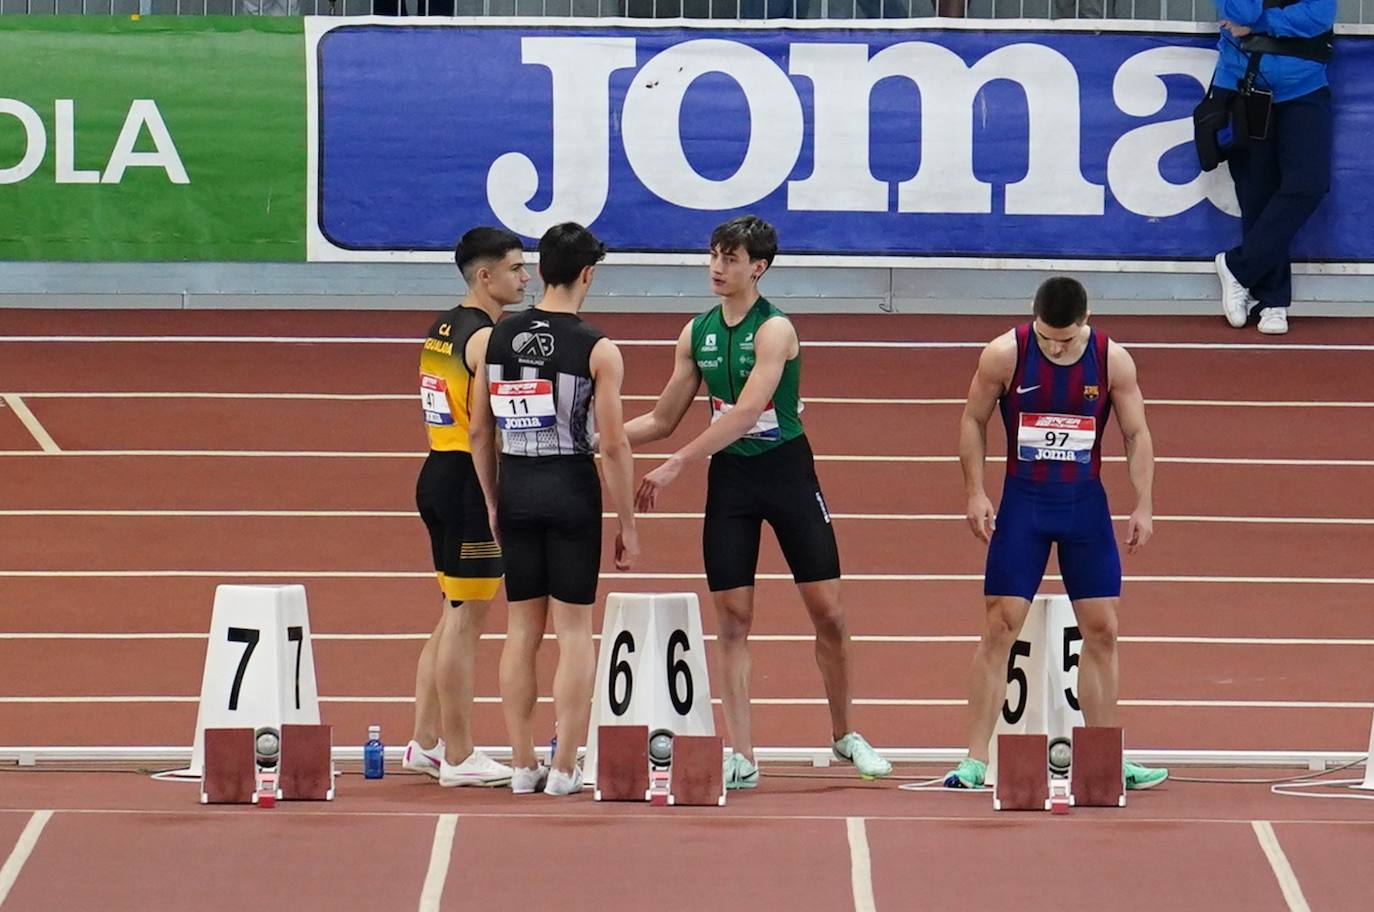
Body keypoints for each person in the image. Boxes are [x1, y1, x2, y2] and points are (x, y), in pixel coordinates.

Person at [628, 215, 891, 789]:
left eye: (730, 258)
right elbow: (662, 417)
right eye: (713, 256)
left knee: (830, 613)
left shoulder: (776, 331)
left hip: (788, 474)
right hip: (732, 482)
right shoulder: (694, 333)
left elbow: (747, 412)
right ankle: (742, 753)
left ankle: (846, 733)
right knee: (733, 619)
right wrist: (598, 438)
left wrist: (678, 462)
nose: (717, 267)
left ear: (759, 267)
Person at [944, 276, 1168, 791]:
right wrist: (975, 492)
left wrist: (1145, 504)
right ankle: (974, 759)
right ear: (1033, 317)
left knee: (1103, 629)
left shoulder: (1114, 360)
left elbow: (1136, 433)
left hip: (1083, 507)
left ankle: (1105, 754)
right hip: (1025, 503)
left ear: (1085, 323)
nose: (1054, 347)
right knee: (1000, 625)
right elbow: (973, 420)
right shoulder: (1005, 354)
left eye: (1065, 340)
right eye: (1046, 337)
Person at [469, 222, 640, 797]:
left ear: (539, 271)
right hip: (570, 490)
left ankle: (521, 763)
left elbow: (477, 432)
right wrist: (626, 523)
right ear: (588, 274)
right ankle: (565, 767)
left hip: (516, 486)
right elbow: (613, 444)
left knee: (521, 629)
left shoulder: (494, 338)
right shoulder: (599, 349)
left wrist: (494, 501)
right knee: (573, 631)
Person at [401, 227, 528, 788]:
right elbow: (487, 428)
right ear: (486, 276)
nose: (525, 278)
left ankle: (424, 743)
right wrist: (498, 497)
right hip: (468, 483)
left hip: (436, 471)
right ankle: (460, 753)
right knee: (466, 622)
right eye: (516, 268)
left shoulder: (444, 327)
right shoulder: (485, 341)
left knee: (451, 613)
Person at [1210, 0, 1335, 336]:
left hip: (1305, 85)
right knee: (1256, 191)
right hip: (1242, 82)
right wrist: (1258, 21)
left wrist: (1259, 24)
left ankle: (1239, 267)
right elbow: (1241, 13)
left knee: (1309, 183)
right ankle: (1272, 299)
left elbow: (1318, 17)